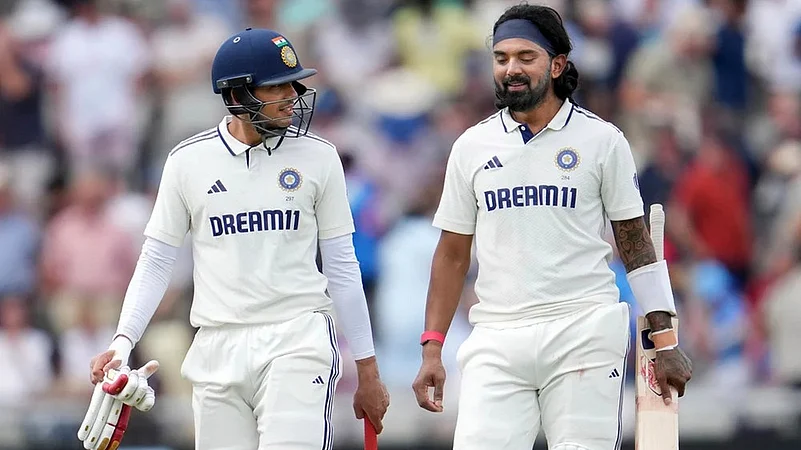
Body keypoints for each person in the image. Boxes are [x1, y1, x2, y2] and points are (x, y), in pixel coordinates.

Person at [77, 28, 389, 450]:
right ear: (238, 95)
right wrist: (122, 341)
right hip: (216, 347)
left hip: (297, 339)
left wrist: (368, 369)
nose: (292, 96)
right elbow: (156, 261)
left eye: (292, 84)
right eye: (276, 86)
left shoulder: (319, 156)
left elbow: (342, 264)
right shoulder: (188, 162)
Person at [411, 5, 692, 450]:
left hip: (582, 329)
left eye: (526, 57)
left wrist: (664, 339)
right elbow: (451, 253)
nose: (511, 69)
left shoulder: (602, 140)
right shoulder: (471, 146)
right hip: (497, 337)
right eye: (501, 58)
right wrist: (432, 348)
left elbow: (635, 245)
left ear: (557, 64)